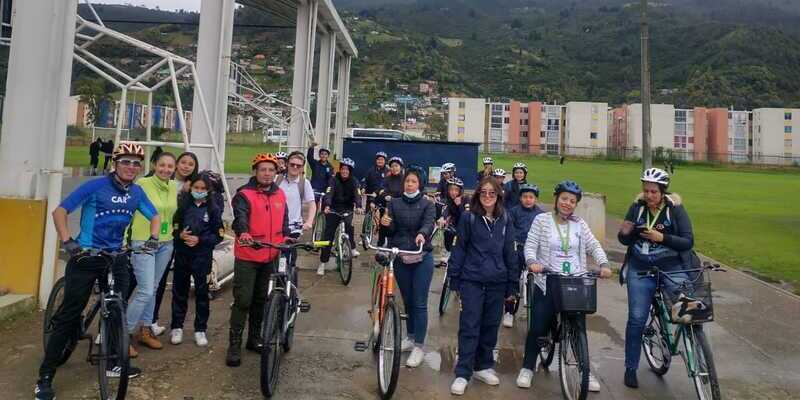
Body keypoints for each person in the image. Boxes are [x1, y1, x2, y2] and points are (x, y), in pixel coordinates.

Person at [35, 143, 160, 400]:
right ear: (115, 163)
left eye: (136, 163)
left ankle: (114, 362)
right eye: (126, 161)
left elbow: (154, 215)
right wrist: (68, 242)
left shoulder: (136, 192)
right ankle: (45, 376)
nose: (131, 167)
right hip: (86, 256)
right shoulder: (96, 186)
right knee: (69, 314)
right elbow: (60, 211)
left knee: (117, 310)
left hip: (117, 258)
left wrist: (153, 237)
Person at [517, 180, 611, 391]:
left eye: (572, 201)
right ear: (556, 199)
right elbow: (530, 246)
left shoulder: (580, 224)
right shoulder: (541, 220)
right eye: (564, 199)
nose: (567, 203)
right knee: (538, 325)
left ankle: (583, 370)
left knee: (578, 327)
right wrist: (532, 262)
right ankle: (528, 367)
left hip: (575, 281)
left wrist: (603, 263)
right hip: (549, 279)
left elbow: (593, 245)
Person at [617, 168, 694, 389]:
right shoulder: (637, 208)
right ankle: (630, 368)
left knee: (688, 310)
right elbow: (622, 239)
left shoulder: (675, 210)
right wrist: (628, 232)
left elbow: (688, 241)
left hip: (670, 265)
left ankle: (695, 346)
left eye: (653, 191)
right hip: (640, 267)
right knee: (637, 319)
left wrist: (663, 237)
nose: (649, 195)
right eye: (646, 191)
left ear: (662, 192)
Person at [448, 177, 517, 396]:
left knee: (490, 326)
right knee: (470, 325)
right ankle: (463, 372)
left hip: (497, 281)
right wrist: (454, 277)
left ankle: (482, 366)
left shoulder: (505, 219)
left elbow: (510, 253)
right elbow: (459, 249)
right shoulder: (468, 218)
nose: (488, 196)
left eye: (492, 193)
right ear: (478, 195)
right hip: (472, 279)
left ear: (498, 196)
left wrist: (512, 284)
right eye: (483, 193)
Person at [226, 153, 291, 367]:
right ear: (255, 171)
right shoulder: (244, 194)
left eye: (271, 170)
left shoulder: (280, 194)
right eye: (263, 169)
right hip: (248, 254)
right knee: (243, 299)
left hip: (270, 254)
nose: (267, 173)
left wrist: (287, 236)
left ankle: (254, 339)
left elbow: (284, 221)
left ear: (275, 172)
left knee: (261, 300)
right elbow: (240, 218)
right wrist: (244, 233)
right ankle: (234, 345)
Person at [379, 169, 436, 367]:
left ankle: (419, 346)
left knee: (419, 303)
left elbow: (429, 224)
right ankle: (410, 337)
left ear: (419, 184)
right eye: (407, 181)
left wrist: (422, 234)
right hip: (401, 256)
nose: (409, 184)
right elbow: (391, 231)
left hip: (422, 257)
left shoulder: (428, 204)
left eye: (413, 181)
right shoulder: (393, 203)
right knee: (408, 301)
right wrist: (385, 223)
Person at [127, 152, 178, 354]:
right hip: (144, 242)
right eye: (162, 165)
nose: (166, 169)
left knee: (155, 288)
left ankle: (146, 330)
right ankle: (122, 333)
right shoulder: (142, 184)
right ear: (154, 165)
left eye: (170, 166)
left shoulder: (174, 186)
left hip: (166, 243)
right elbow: (130, 212)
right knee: (145, 290)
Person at [148, 151, 199, 337]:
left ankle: (151, 320)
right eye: (183, 162)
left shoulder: (191, 187)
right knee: (139, 281)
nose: (186, 166)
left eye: (190, 164)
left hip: (173, 238)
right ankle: (118, 322)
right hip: (150, 236)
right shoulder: (154, 182)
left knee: (161, 281)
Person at [169, 174, 223, 347]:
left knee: (201, 293)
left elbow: (218, 235)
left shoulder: (213, 209)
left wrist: (200, 240)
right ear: (190, 188)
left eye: (202, 189)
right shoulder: (183, 206)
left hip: (202, 257)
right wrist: (180, 235)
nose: (199, 191)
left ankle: (200, 329)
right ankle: (177, 326)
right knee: (179, 292)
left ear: (208, 191)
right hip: (182, 254)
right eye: (196, 188)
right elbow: (174, 226)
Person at [502, 183, 543, 329]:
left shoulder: (541, 215)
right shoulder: (513, 212)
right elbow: (508, 230)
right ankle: (509, 312)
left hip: (534, 251)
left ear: (536, 199)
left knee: (538, 280)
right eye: (525, 197)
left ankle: (535, 309)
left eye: (531, 197)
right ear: (520, 198)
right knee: (513, 279)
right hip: (517, 249)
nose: (528, 200)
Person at [318, 158, 362, 275]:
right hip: (333, 209)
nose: (344, 171)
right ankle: (323, 262)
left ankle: (352, 248)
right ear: (340, 169)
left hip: (347, 209)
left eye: (347, 170)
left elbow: (357, 194)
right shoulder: (333, 180)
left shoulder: (354, 181)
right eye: (343, 169)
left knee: (349, 226)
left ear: (350, 171)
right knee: (328, 235)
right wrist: (327, 205)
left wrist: (358, 205)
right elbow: (329, 192)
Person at [277, 151, 316, 232]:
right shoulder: (276, 179)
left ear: (302, 168)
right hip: (276, 226)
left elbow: (312, 204)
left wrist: (309, 221)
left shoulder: (304, 183)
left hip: (294, 228)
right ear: (287, 164)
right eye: (292, 164)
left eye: (298, 166)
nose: (295, 167)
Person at [437, 177, 469, 266]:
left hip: (466, 226)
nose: (453, 192)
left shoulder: (466, 199)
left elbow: (467, 216)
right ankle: (447, 253)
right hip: (455, 225)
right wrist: (442, 218)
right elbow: (446, 211)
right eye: (451, 189)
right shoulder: (448, 200)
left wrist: (459, 205)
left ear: (460, 191)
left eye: (456, 190)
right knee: (448, 232)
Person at [376, 156, 405, 246]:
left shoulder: (405, 179)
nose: (394, 168)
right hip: (387, 207)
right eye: (392, 166)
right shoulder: (387, 179)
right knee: (383, 226)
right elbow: (381, 190)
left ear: (401, 167)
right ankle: (380, 245)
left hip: (401, 207)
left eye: (396, 166)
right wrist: (386, 196)